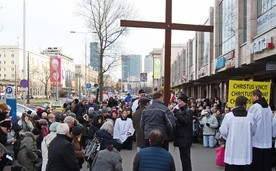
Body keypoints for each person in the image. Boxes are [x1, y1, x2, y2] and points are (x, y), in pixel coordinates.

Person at [219, 96, 256, 170]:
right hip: (246, 150)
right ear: (244, 105)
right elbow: (253, 131)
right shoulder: (250, 117)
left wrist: (228, 138)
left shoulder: (229, 116)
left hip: (232, 149)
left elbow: (223, 131)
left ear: (236, 104)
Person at [247, 89, 273, 171]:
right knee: (266, 162)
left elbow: (250, 121)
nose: (252, 98)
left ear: (256, 96)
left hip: (257, 138)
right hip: (267, 138)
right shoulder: (268, 107)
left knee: (257, 163)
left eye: (252, 96)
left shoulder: (254, 107)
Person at [172, 94, 193, 171]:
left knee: (186, 159)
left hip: (185, 138)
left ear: (184, 102)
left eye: (180, 101)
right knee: (183, 158)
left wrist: (177, 113)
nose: (178, 102)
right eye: (178, 100)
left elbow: (185, 121)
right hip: (180, 137)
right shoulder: (180, 110)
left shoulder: (188, 111)